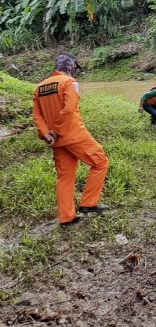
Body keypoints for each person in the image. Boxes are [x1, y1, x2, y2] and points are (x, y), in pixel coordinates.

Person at [32, 53, 109, 226]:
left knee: (65, 177)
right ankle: (88, 203)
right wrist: (57, 131)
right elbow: (68, 109)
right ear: (70, 66)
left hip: (55, 141)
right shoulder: (69, 82)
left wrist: (46, 134)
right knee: (100, 162)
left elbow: (37, 116)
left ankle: (66, 217)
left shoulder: (39, 87)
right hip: (74, 135)